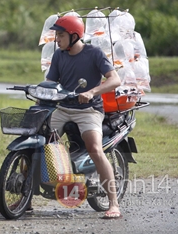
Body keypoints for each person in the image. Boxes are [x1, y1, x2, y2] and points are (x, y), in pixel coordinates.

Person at [46, 15, 123, 219]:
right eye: (56, 35)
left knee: (95, 149)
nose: (57, 39)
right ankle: (26, 194)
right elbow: (50, 83)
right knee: (40, 139)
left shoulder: (94, 54)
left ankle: (113, 204)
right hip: (63, 108)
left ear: (74, 36)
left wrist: (92, 92)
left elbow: (115, 80)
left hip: (89, 110)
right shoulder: (58, 55)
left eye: (60, 35)